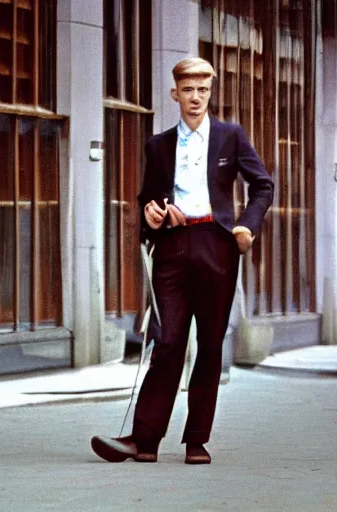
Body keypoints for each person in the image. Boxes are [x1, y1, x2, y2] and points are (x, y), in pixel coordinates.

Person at [91, 57, 274, 464]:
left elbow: (263, 185)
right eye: (188, 90)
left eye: (203, 90)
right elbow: (147, 200)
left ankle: (196, 441)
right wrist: (151, 214)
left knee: (209, 345)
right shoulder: (158, 145)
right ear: (175, 93)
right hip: (173, 248)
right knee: (168, 340)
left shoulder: (231, 137)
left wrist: (246, 226)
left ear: (211, 93)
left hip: (217, 246)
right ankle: (144, 440)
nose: (196, 97)